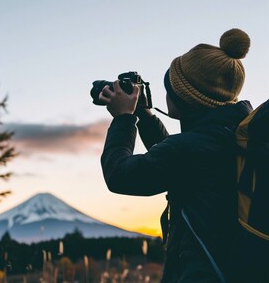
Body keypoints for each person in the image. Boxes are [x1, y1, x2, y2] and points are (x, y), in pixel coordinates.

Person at [98, 28, 253, 282]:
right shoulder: (232, 133)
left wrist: (124, 118)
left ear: (186, 96)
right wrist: (145, 117)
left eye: (170, 87)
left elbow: (119, 174)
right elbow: (178, 159)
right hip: (232, 268)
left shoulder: (191, 149)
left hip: (201, 274)